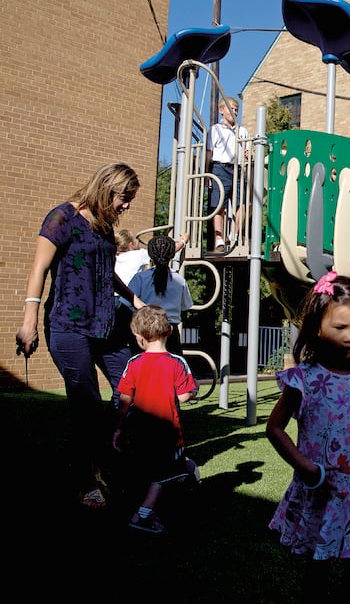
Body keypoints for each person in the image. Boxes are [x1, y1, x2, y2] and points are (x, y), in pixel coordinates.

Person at [16, 162, 143, 509]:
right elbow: (39, 269)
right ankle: (87, 480)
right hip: (68, 327)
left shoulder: (103, 227)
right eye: (124, 197)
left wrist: (136, 299)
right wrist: (28, 321)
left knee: (134, 388)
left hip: (106, 325)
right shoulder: (62, 218)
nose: (127, 205)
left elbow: (107, 273)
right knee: (86, 403)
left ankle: (111, 455)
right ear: (106, 188)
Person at [266, 271, 350, 602]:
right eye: (340, 327)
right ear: (317, 328)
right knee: (318, 563)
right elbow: (275, 428)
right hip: (320, 489)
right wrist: (302, 465)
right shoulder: (305, 379)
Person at [112, 305, 199, 533]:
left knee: (148, 469)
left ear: (139, 338)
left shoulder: (133, 363)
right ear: (169, 331)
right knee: (163, 475)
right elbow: (184, 395)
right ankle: (143, 515)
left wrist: (118, 428)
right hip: (167, 432)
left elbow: (124, 399)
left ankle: (184, 477)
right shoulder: (177, 363)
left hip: (138, 430)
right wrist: (194, 390)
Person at [128, 235, 193, 357]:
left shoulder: (140, 278)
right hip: (169, 331)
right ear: (172, 255)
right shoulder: (179, 280)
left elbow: (126, 304)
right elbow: (185, 308)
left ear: (150, 255)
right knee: (172, 370)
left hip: (144, 330)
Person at [206, 96, 249, 253]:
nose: (234, 111)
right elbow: (209, 152)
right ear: (221, 110)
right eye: (231, 108)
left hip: (237, 169)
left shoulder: (242, 131)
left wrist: (248, 154)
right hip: (219, 168)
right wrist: (206, 173)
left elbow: (248, 153)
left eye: (237, 109)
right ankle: (219, 239)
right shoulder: (215, 130)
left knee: (242, 203)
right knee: (219, 204)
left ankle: (235, 235)